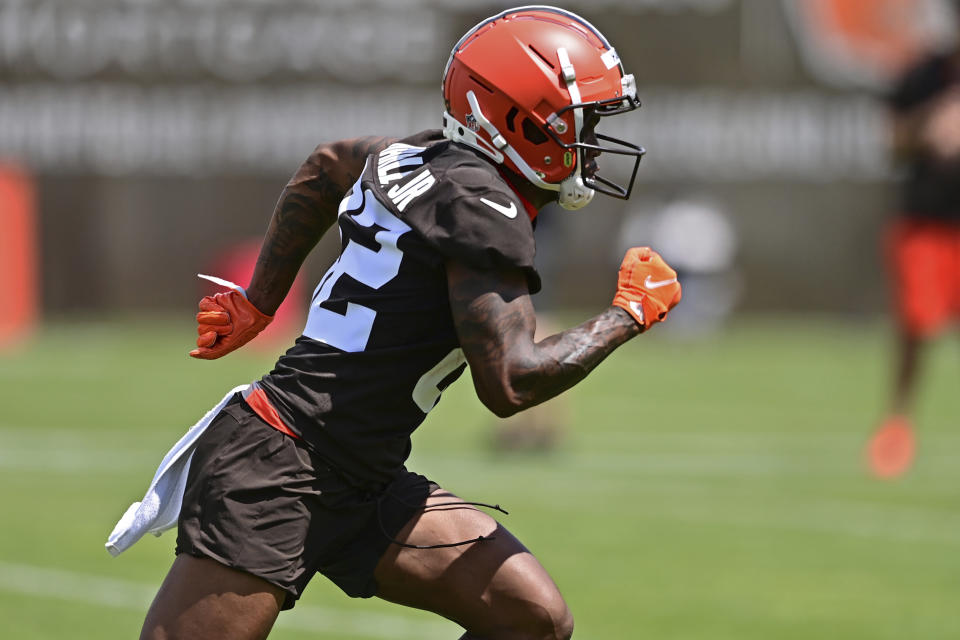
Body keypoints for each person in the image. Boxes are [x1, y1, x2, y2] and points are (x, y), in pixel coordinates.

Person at [137, 6, 681, 639]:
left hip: (360, 469)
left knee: (531, 619)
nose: (589, 137)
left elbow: (327, 164)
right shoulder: (485, 204)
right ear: (518, 119)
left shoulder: (418, 156)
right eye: (579, 119)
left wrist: (261, 300)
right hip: (280, 465)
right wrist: (627, 315)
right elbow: (511, 383)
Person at [867, 7, 960, 479]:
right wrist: (932, 123)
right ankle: (897, 422)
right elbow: (893, 142)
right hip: (928, 224)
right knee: (917, 329)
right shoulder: (925, 75)